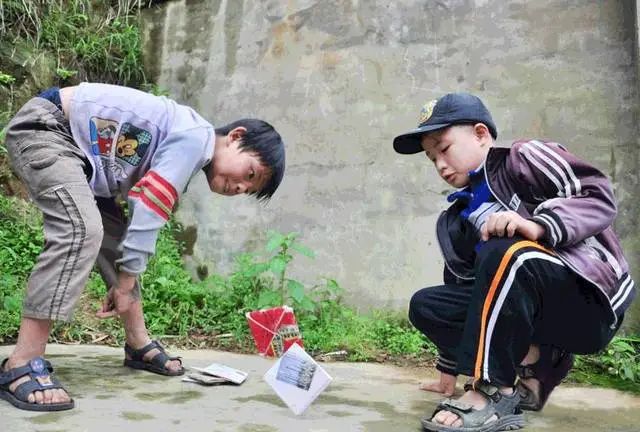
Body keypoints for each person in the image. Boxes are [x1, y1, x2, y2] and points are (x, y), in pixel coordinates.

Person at [0, 83, 286, 411]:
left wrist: (127, 276)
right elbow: (150, 204)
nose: (240, 186)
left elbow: (142, 205)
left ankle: (137, 342)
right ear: (236, 136)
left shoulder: (190, 139)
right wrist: (124, 283)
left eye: (249, 188)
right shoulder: (197, 138)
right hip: (48, 128)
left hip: (83, 157)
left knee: (119, 240)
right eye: (250, 172)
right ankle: (22, 362)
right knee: (82, 229)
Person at [392, 93, 635, 431]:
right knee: (427, 304)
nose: (440, 165)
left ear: (480, 134)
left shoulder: (524, 158)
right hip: (533, 310)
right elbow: (474, 294)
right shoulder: (457, 220)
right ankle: (536, 365)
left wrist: (539, 225)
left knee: (506, 249)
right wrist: (448, 370)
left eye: (444, 149)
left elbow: (596, 193)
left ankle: (494, 389)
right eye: (432, 159)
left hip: (590, 304)